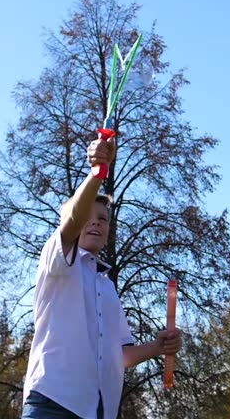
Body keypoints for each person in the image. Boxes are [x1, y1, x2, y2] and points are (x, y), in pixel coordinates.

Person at [22, 136, 183, 419]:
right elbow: (72, 220)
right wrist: (98, 172)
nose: (95, 222)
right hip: (51, 402)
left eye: (103, 218)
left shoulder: (106, 287)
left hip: (96, 410)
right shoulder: (57, 260)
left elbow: (120, 356)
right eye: (89, 216)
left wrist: (158, 347)